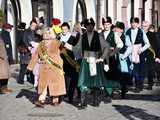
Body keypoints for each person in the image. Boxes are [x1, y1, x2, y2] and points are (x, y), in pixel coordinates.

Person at [65, 18, 110, 108]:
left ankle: (96, 100)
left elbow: (106, 47)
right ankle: (83, 102)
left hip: (95, 61)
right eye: (88, 25)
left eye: (91, 25)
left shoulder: (98, 36)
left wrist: (102, 58)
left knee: (95, 81)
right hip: (85, 60)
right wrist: (68, 46)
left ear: (93, 26)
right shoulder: (83, 36)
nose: (89, 27)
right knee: (83, 81)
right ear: (85, 26)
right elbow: (77, 48)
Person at [27, 28, 66, 107]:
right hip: (44, 67)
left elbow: (64, 52)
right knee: (43, 85)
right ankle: (41, 100)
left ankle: (55, 100)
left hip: (55, 67)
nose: (47, 34)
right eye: (45, 33)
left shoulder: (57, 42)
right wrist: (30, 67)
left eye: (49, 33)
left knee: (55, 84)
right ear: (43, 34)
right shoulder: (41, 44)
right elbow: (35, 56)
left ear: (52, 34)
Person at [121, 17, 150, 92]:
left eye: (135, 23)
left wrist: (141, 49)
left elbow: (148, 44)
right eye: (132, 23)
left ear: (138, 24)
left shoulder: (141, 32)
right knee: (131, 70)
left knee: (139, 70)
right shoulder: (127, 32)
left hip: (139, 53)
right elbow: (127, 43)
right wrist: (130, 48)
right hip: (130, 51)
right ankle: (129, 85)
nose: (133, 24)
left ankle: (139, 85)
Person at [99, 17, 123, 100]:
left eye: (108, 24)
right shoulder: (100, 34)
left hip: (111, 57)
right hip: (102, 57)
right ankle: (105, 92)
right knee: (103, 74)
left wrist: (114, 52)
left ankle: (110, 93)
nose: (106, 26)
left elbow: (120, 44)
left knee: (110, 74)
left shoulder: (114, 34)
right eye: (105, 24)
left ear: (110, 25)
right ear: (103, 25)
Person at [115, 21, 133, 98]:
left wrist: (124, 56)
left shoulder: (126, 37)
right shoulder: (112, 36)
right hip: (113, 57)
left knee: (123, 74)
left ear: (122, 30)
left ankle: (123, 90)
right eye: (116, 28)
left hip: (122, 57)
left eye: (118, 28)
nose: (116, 29)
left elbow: (130, 47)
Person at [142, 21, 156, 90]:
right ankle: (139, 84)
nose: (143, 28)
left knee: (150, 69)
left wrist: (157, 56)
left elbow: (156, 45)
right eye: (143, 26)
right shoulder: (140, 34)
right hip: (141, 53)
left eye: (145, 26)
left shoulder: (152, 34)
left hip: (150, 54)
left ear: (148, 27)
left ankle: (150, 84)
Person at [23, 19, 38, 85]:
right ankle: (28, 78)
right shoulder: (26, 31)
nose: (33, 26)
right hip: (29, 50)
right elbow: (24, 40)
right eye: (33, 25)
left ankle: (32, 79)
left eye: (35, 26)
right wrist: (28, 47)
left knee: (34, 65)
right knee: (29, 65)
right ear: (30, 25)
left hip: (35, 49)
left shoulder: (35, 31)